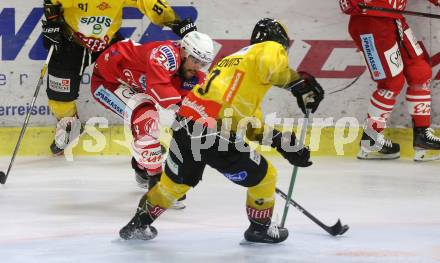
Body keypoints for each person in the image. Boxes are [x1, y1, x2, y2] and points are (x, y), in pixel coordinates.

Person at [118, 18, 324, 244]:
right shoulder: (268, 50)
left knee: (173, 186)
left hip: (185, 124)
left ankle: (138, 225)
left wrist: (283, 142)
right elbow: (271, 65)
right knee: (266, 177)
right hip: (212, 132)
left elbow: (249, 127)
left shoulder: (234, 63)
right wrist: (298, 84)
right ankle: (260, 229)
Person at [41, 0, 197, 155]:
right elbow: (51, 2)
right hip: (70, 39)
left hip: (108, 41)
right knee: (60, 93)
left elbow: (148, 2)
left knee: (134, 80)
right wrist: (53, 22)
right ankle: (69, 125)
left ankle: (144, 133)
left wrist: (175, 22)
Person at [90, 31, 214, 209]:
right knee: (146, 119)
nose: (197, 67)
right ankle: (156, 183)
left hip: (135, 85)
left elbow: (201, 101)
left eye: (203, 63)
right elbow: (160, 91)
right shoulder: (166, 54)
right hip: (108, 82)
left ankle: (141, 168)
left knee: (148, 121)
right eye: (195, 60)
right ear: (184, 51)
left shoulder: (191, 73)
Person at [339, 0, 440, 161]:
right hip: (370, 21)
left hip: (395, 19)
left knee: (420, 72)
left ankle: (422, 138)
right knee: (391, 83)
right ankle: (371, 140)